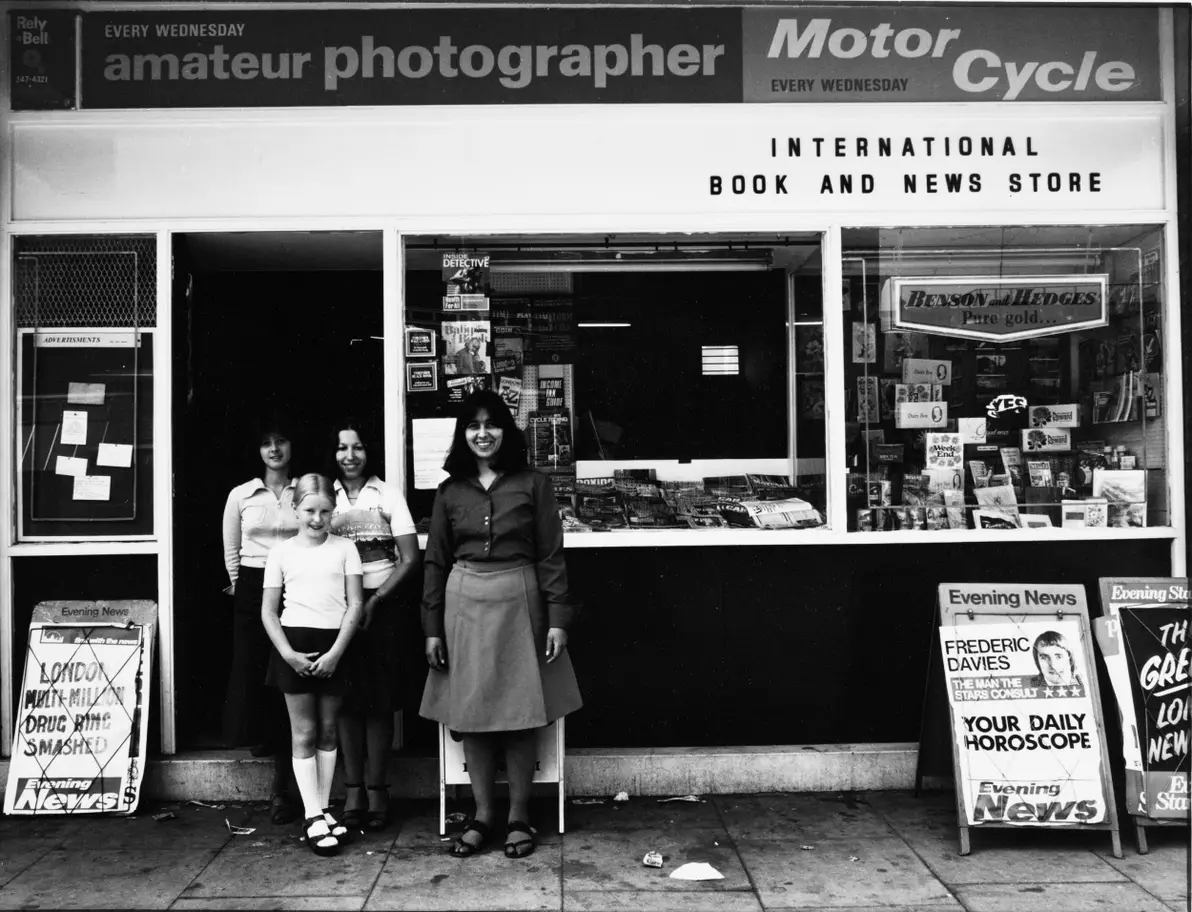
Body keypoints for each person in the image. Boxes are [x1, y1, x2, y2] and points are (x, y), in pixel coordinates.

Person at [420, 389, 582, 860]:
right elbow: (435, 561)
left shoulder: (534, 483)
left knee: (518, 713)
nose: (482, 433)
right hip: (464, 606)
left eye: (491, 424)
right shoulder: (450, 490)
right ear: (462, 433)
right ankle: (482, 816)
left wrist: (557, 619)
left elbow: (551, 554)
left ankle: (518, 816)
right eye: (473, 425)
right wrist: (432, 627)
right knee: (472, 716)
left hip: (521, 602)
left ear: (505, 430)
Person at [262, 473, 364, 857]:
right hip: (294, 645)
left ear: (334, 510)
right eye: (309, 511)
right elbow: (268, 611)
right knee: (302, 732)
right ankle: (312, 814)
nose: (317, 519)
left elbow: (355, 603)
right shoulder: (282, 552)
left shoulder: (345, 549)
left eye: (325, 511)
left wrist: (338, 651)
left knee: (327, 731)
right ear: (295, 508)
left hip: (335, 644)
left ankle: (320, 811)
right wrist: (287, 653)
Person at [329, 419, 421, 832]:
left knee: (380, 703)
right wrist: (349, 604)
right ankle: (353, 791)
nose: (350, 456)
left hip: (381, 609)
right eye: (342, 448)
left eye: (359, 447)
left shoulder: (387, 494)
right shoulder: (320, 495)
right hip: (335, 609)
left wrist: (376, 601)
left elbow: (409, 558)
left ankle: (379, 790)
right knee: (346, 703)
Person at [221, 414, 301, 823]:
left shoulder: (303, 490)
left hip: (295, 586)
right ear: (257, 450)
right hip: (253, 588)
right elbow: (232, 552)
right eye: (267, 442)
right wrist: (245, 587)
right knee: (256, 676)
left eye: (281, 439)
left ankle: (286, 781)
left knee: (288, 677)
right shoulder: (242, 495)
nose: (275, 449)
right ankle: (271, 758)